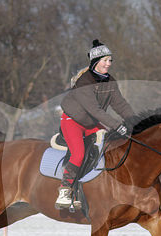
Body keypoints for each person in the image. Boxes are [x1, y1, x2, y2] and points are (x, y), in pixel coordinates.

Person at [55, 39, 136, 208]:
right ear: (95, 62)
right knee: (78, 153)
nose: (109, 64)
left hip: (90, 122)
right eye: (105, 60)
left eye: (110, 60)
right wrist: (117, 125)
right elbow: (95, 110)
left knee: (112, 144)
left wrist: (135, 121)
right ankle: (65, 189)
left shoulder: (109, 81)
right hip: (73, 121)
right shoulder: (84, 82)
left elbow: (120, 104)